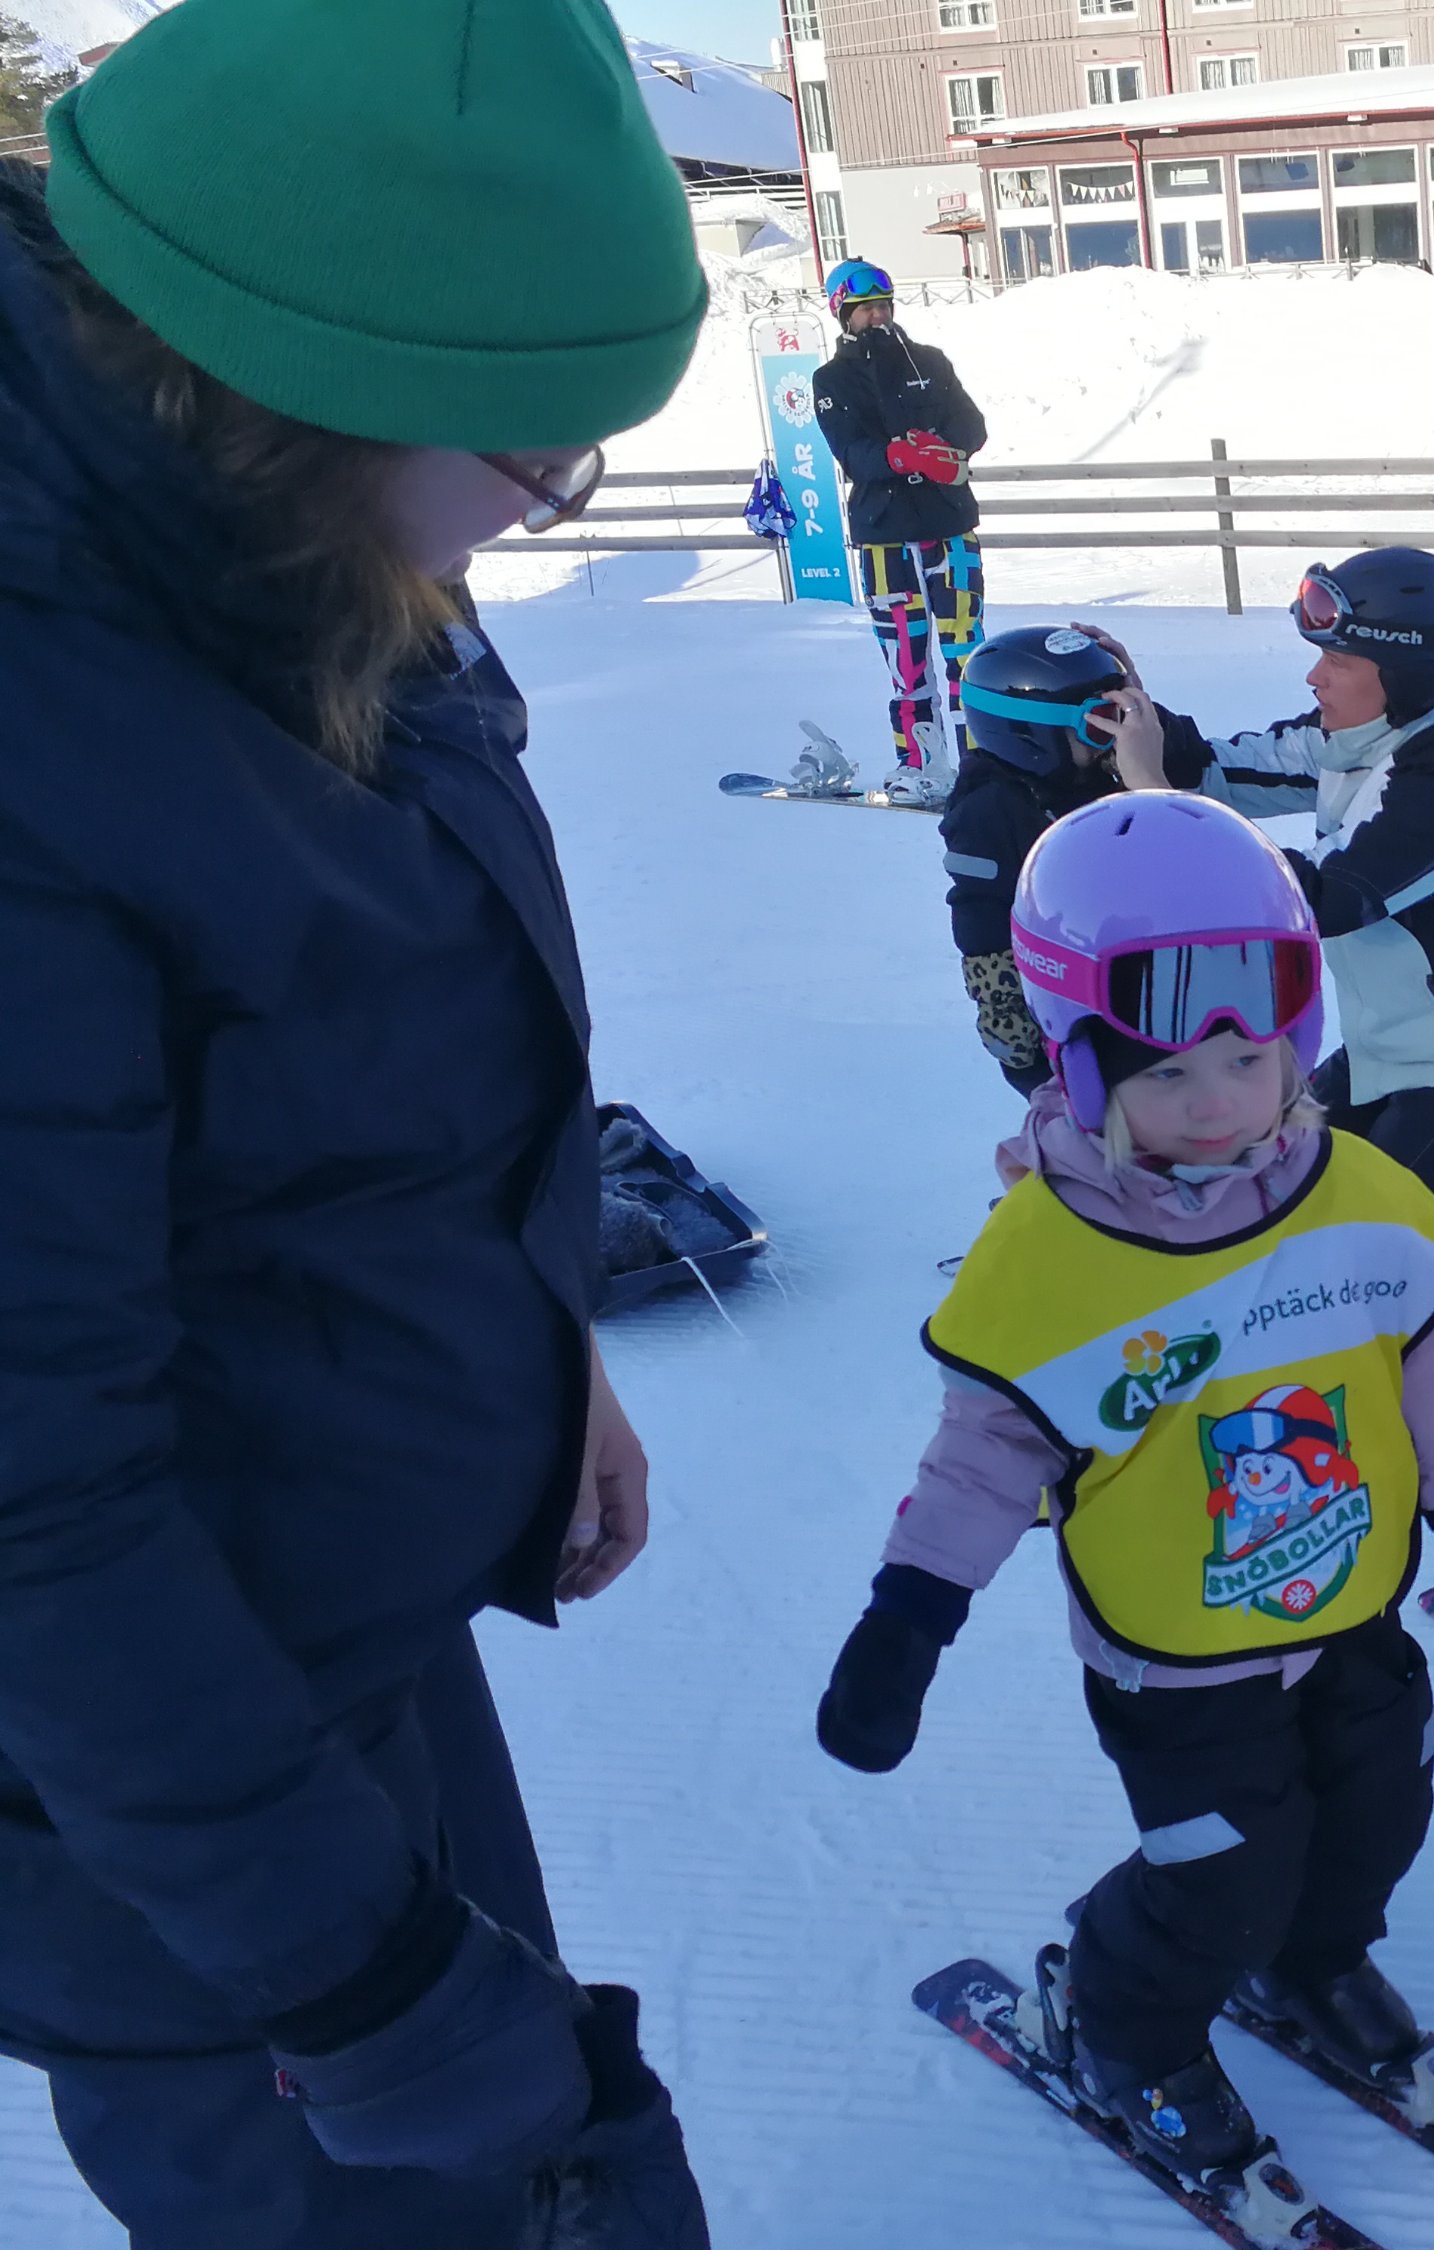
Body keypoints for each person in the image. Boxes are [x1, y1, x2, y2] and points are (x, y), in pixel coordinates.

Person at [0, 5, 718, 2246]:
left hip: (329, 1645)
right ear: (305, 389)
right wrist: (363, 1980)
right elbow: (31, 1497)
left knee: (574, 2174)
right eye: (535, 457)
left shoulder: (284, 547)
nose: (540, 508)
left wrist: (535, 1340)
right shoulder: (44, 723)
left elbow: (369, 1076)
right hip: (152, 1815)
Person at [812, 794, 1434, 2215]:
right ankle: (1122, 2021)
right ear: (1079, 1064)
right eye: (1170, 1072)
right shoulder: (1049, 1259)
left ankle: (1313, 1958)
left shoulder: (1352, 1193)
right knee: (1222, 1872)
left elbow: (1417, 1354)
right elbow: (982, 1459)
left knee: (1379, 1810)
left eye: (1251, 1060)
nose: (1220, 1103)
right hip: (1179, 1656)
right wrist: (910, 1616)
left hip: (1350, 1603)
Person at [1103, 548, 1434, 1257]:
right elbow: (1216, 768)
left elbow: (1322, 898)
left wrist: (1155, 800)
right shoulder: (1349, 740)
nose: (1315, 676)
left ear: (1403, 675)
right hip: (1381, 1051)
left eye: (1338, 661)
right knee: (1262, 1180)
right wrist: (1134, 710)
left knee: (1371, 1239)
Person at [940, 621, 1207, 1088]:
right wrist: (1013, 1031)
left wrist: (1147, 717)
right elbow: (981, 917)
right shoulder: (990, 812)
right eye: (1100, 720)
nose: (1120, 733)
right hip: (1069, 1032)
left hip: (1157, 994)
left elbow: (1191, 763)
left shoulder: (1106, 772)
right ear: (1028, 734)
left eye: (1123, 712)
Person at [810, 258, 989, 808]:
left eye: (883, 306)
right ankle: (918, 762)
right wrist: (898, 455)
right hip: (884, 537)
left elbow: (972, 425)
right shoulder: (831, 380)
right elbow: (851, 451)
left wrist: (943, 448)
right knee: (906, 662)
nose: (878, 317)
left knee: (967, 653)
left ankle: (983, 763)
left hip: (948, 529)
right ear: (843, 313)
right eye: (865, 309)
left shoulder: (930, 361)